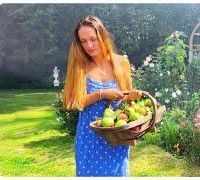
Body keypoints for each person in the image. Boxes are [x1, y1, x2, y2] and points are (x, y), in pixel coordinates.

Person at [62, 15, 142, 177]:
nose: (89, 46)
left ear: (103, 36)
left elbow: (126, 100)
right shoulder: (80, 67)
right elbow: (71, 103)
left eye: (93, 39)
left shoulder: (121, 63)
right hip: (89, 138)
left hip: (116, 136)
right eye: (83, 41)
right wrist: (101, 94)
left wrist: (132, 96)